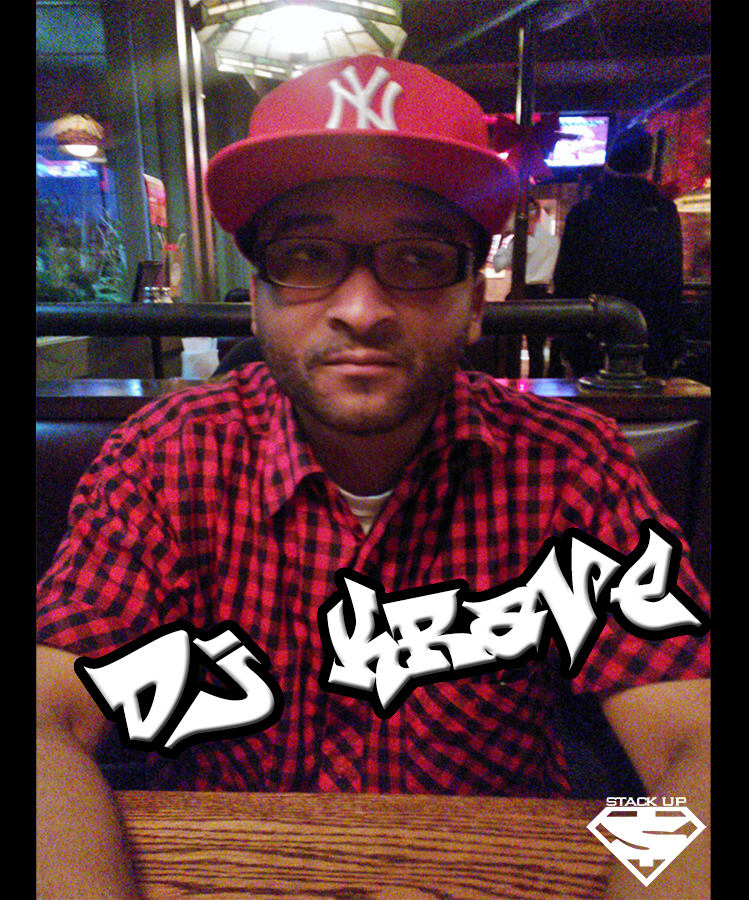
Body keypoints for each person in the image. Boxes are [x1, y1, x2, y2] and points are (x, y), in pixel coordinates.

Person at [37, 55, 709, 899]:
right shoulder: (165, 459)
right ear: (258, 299)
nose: (361, 310)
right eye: (308, 254)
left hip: (497, 873)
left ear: (475, 301)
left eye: (419, 258)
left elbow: (693, 747)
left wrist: (628, 872)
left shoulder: (571, 464)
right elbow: (47, 720)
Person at [553, 125, 684, 378]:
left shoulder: (583, 214)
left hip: (589, 337)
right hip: (650, 340)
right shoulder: (663, 212)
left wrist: (567, 341)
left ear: (608, 161)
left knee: (587, 397)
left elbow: (566, 280)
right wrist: (672, 345)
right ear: (648, 164)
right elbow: (671, 281)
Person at [492, 197, 560, 376]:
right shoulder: (553, 241)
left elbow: (498, 264)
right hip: (542, 296)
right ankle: (536, 385)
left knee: (511, 347)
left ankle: (511, 382)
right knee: (536, 349)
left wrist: (503, 242)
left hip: (520, 293)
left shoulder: (519, 242)